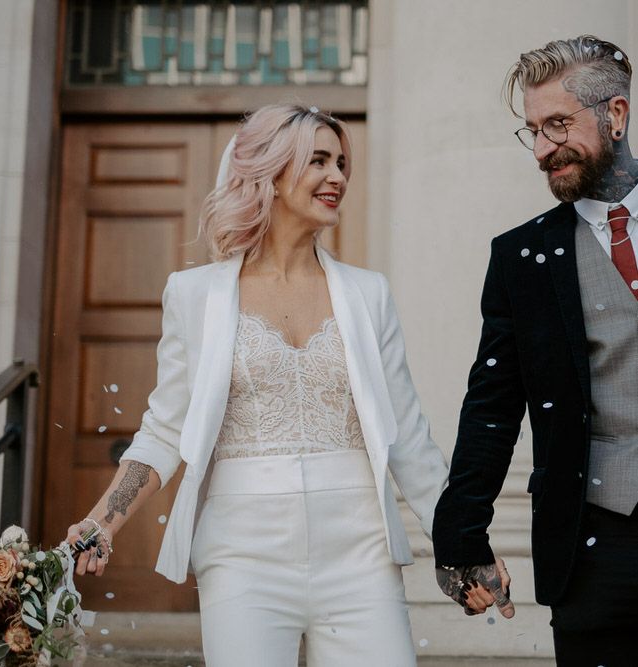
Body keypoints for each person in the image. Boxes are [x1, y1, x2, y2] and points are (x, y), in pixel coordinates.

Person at [64, 104, 449, 667]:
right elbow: (167, 429)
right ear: (268, 171)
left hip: (361, 552)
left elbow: (409, 439)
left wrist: (466, 541)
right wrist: (101, 522)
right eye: (318, 160)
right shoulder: (193, 295)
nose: (337, 176)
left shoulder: (369, 294)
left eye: (342, 162)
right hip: (242, 556)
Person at [432, 35, 638, 665]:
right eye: (533, 131)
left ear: (617, 115)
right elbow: (493, 403)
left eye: (558, 125)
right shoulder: (522, 256)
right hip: (598, 539)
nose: (544, 149)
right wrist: (460, 536)